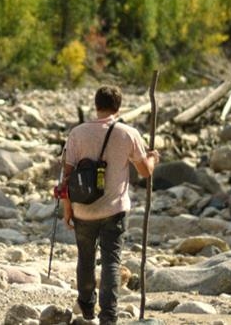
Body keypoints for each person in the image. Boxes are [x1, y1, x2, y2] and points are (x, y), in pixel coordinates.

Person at [61, 85, 160, 324]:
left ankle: (86, 305)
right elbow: (145, 172)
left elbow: (65, 176)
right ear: (119, 107)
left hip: (83, 209)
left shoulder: (77, 133)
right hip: (115, 210)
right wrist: (153, 159)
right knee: (111, 262)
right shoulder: (128, 133)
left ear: (95, 106)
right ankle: (108, 316)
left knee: (85, 259)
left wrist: (67, 209)